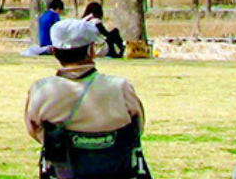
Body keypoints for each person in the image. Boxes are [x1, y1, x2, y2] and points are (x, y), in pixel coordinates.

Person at [26, 18, 147, 179]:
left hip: (64, 172)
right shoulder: (120, 87)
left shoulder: (41, 90)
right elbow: (137, 128)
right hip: (117, 170)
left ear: (54, 52)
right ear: (91, 51)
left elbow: (35, 131)